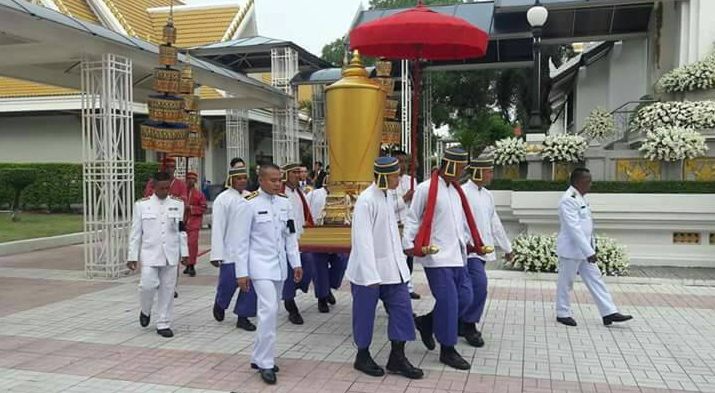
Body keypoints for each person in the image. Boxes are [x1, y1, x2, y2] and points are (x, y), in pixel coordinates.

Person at [403, 146, 488, 370]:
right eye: (460, 168)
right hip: (436, 256)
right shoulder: (425, 188)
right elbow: (412, 218)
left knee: (466, 298)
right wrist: (408, 244)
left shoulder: (456, 191)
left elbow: (460, 223)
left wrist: (473, 243)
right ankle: (447, 349)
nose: (463, 173)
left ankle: (427, 321)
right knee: (450, 302)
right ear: (449, 165)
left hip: (458, 255)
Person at [347, 157, 424, 380]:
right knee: (364, 315)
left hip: (393, 269)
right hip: (367, 272)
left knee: (402, 311)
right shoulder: (365, 200)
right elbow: (363, 241)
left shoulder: (388, 195)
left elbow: (393, 231)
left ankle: (397, 357)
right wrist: (371, 275)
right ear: (381, 176)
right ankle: (362, 355)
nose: (398, 180)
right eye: (394, 176)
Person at [235, 164, 304, 385]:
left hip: (280, 266)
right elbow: (241, 241)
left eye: (279, 180)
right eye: (273, 180)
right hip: (259, 266)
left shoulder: (284, 203)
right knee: (269, 311)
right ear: (262, 180)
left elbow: (290, 235)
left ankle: (258, 355)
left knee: (268, 312)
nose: (277, 183)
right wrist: (242, 273)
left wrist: (296, 263)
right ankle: (266, 362)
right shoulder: (249, 204)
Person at [556, 168, 633, 327]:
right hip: (571, 250)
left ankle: (609, 312)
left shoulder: (580, 198)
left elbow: (586, 227)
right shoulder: (568, 200)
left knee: (596, 279)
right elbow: (574, 229)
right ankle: (562, 313)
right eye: (587, 181)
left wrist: (591, 248)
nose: (590, 184)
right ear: (577, 182)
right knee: (566, 283)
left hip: (584, 250)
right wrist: (589, 251)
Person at [127, 172, 188, 338]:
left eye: (168, 188)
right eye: (161, 188)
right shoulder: (141, 205)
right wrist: (132, 256)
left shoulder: (178, 203)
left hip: (171, 253)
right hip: (150, 253)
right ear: (153, 187)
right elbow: (135, 232)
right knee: (147, 285)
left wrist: (185, 252)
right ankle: (145, 310)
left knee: (168, 290)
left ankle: (163, 323)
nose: (165, 191)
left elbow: (182, 230)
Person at [459, 160, 512, 348]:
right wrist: (467, 243)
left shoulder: (487, 195)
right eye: (489, 171)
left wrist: (507, 247)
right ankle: (468, 324)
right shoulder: (463, 192)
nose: (491, 175)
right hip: (469, 251)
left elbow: (494, 222)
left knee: (467, 290)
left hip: (482, 251)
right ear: (479, 172)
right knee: (480, 286)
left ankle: (459, 321)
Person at [210, 162, 258, 331]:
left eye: (245, 178)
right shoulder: (222, 199)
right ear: (231, 180)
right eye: (239, 178)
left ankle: (243, 316)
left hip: (249, 251)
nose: (242, 181)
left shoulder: (252, 197)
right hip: (229, 251)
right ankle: (220, 303)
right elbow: (218, 227)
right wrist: (217, 254)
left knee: (250, 284)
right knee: (228, 283)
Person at [306, 176, 347, 313]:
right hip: (317, 236)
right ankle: (322, 298)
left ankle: (328, 287)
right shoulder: (313, 195)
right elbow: (305, 213)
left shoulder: (344, 196)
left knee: (341, 262)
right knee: (319, 268)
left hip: (337, 236)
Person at [281, 163, 315, 324]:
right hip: (286, 241)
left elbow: (305, 214)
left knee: (309, 266)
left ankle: (293, 290)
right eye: (294, 172)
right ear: (286, 174)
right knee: (289, 274)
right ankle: (291, 306)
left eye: (298, 172)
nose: (297, 175)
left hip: (303, 239)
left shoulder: (300, 192)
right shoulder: (280, 194)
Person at [392, 150, 420, 300]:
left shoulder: (411, 180)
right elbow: (388, 207)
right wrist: (405, 198)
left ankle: (408, 287)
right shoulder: (389, 181)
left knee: (409, 257)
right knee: (397, 259)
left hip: (408, 224)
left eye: (404, 162)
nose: (402, 165)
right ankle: (399, 289)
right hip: (394, 225)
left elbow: (415, 206)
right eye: (399, 161)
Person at [183, 172, 207, 278]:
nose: (190, 181)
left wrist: (191, 208)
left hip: (193, 223)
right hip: (182, 223)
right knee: (183, 245)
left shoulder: (199, 194)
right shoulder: (182, 193)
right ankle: (186, 263)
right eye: (189, 178)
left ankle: (191, 264)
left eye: (193, 179)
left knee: (192, 244)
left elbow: (203, 207)